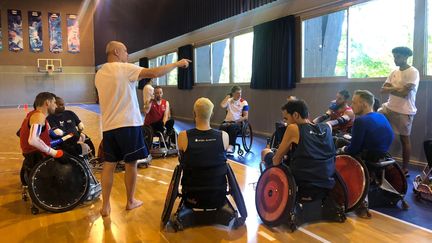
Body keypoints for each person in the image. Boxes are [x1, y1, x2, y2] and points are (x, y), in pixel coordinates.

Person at [95, 40, 191, 217]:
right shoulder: (124, 68)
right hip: (128, 125)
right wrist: (177, 63)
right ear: (116, 51)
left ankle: (105, 206)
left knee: (109, 165)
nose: (127, 55)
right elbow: (154, 72)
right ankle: (130, 201)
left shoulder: (99, 74)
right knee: (131, 164)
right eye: (125, 51)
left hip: (109, 127)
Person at [262, 99, 336, 199]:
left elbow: (276, 161)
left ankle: (272, 192)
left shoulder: (293, 128)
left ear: (296, 115)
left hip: (304, 184)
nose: (285, 123)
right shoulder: (327, 127)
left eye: (286, 119)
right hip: (328, 181)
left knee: (265, 152)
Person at [338, 90, 394, 218]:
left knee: (337, 145)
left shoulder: (361, 121)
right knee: (344, 141)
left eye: (354, 102)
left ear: (363, 104)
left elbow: (353, 150)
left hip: (367, 157)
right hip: (383, 154)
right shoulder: (381, 116)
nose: (351, 105)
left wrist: (342, 149)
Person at [177, 97, 229, 207]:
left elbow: (181, 159)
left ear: (194, 113)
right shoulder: (224, 136)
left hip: (192, 196)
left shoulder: (183, 136)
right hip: (218, 195)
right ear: (212, 114)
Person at [380, 46, 419, 176]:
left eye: (398, 56)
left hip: (404, 111)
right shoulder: (393, 72)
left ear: (406, 57)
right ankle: (379, 161)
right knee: (376, 123)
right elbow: (383, 89)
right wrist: (398, 88)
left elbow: (405, 93)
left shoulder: (413, 72)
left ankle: (405, 168)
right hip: (388, 107)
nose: (395, 59)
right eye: (394, 56)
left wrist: (392, 88)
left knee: (404, 140)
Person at [19, 92, 66, 185]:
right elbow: (33, 140)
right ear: (47, 103)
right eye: (54, 102)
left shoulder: (32, 114)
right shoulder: (38, 116)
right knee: (72, 152)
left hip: (32, 155)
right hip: (37, 155)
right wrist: (54, 152)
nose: (56, 106)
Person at [219, 86, 249, 153]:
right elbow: (222, 105)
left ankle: (231, 146)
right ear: (233, 94)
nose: (239, 95)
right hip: (227, 121)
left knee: (232, 127)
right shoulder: (229, 100)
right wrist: (227, 97)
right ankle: (223, 145)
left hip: (238, 123)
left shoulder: (244, 102)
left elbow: (246, 117)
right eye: (237, 93)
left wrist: (237, 120)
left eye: (240, 93)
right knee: (221, 127)